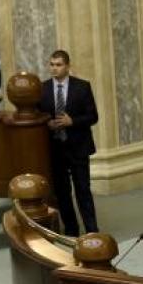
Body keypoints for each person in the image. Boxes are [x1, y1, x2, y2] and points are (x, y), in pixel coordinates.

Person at [38, 50, 99, 236]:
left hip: (78, 147)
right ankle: (72, 230)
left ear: (67, 66)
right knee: (62, 193)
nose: (54, 68)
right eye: (52, 65)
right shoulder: (42, 89)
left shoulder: (82, 87)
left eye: (58, 65)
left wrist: (72, 121)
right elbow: (38, 115)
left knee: (83, 190)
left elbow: (93, 116)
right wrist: (47, 123)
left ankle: (92, 230)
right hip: (56, 149)